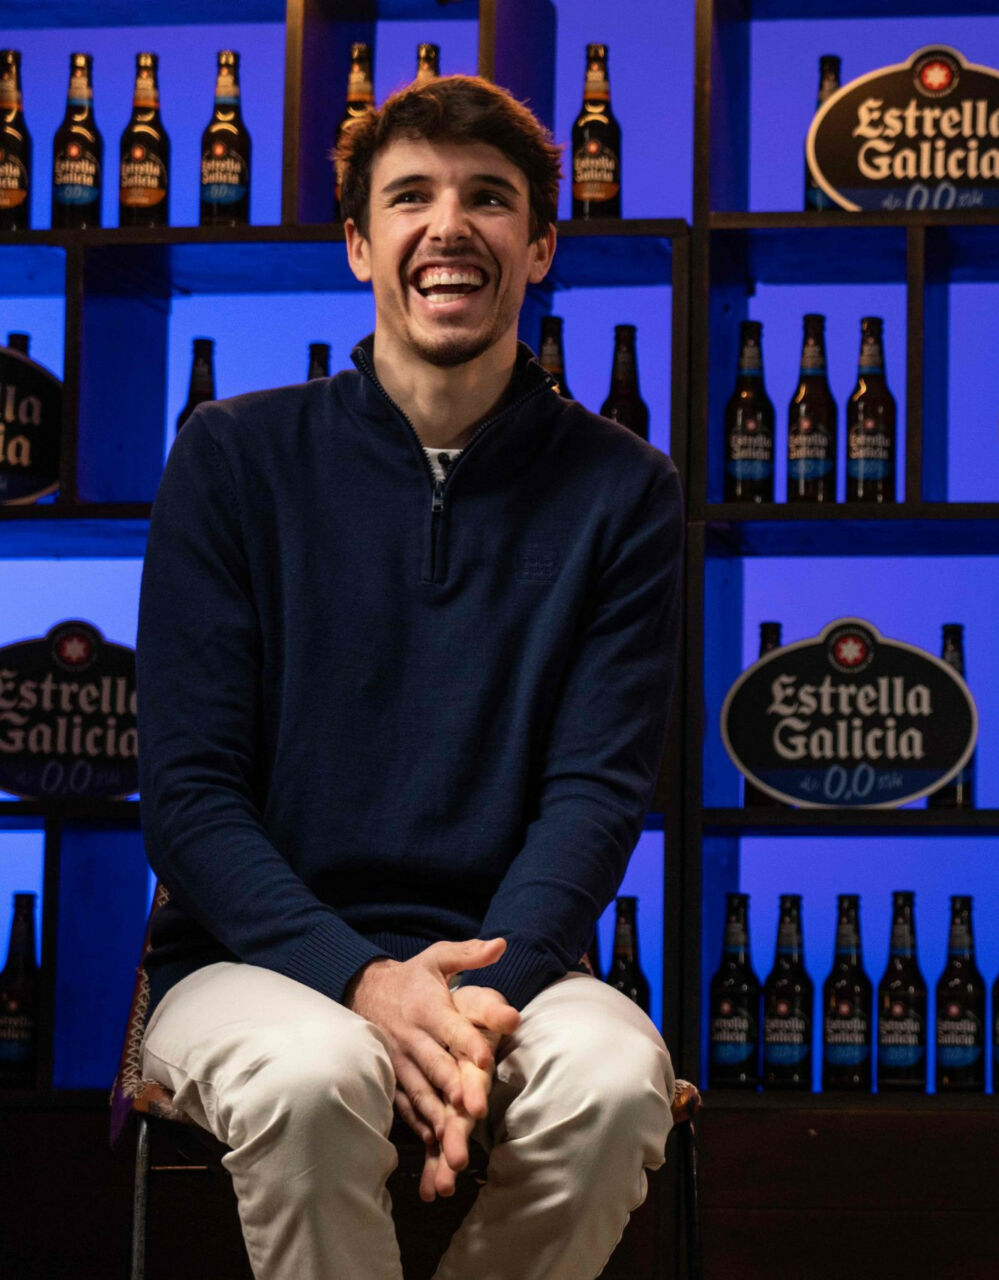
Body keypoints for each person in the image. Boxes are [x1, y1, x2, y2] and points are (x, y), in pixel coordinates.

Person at [135, 74, 682, 1280]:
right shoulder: (231, 459)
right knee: (320, 1074)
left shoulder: (625, 491)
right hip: (247, 962)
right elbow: (186, 795)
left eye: (490, 200)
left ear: (538, 246)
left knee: (610, 1083)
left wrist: (468, 1017)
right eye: (411, 196)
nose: (451, 226)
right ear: (357, 242)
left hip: (509, 968)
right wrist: (363, 982)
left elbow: (595, 795)